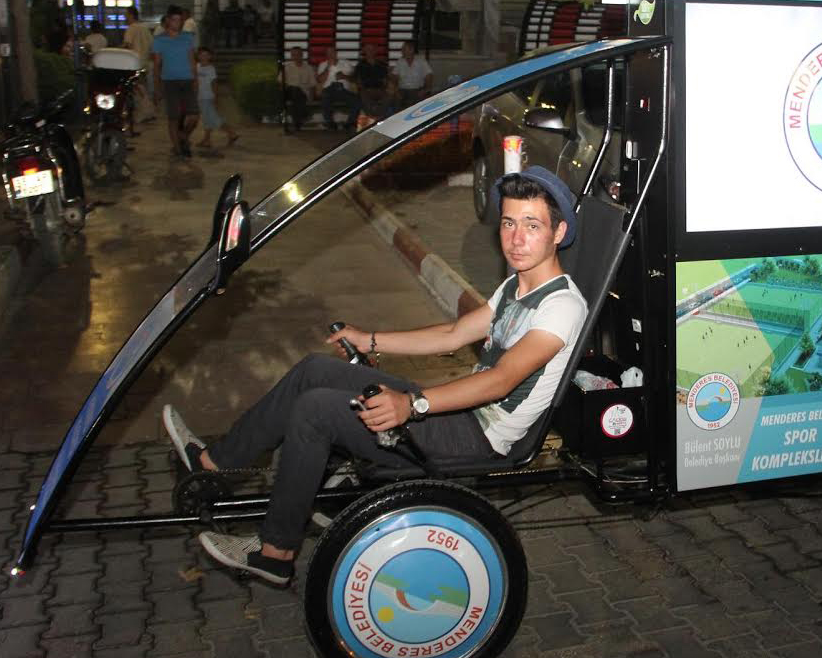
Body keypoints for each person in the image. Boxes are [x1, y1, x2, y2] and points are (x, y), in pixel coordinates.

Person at [166, 166, 587, 586]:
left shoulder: (562, 307)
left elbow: (501, 381)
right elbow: (453, 334)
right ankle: (213, 465)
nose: (516, 238)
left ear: (559, 231)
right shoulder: (516, 287)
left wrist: (413, 405)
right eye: (509, 223)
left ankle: (275, 553)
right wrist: (368, 340)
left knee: (315, 411)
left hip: (480, 437)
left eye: (532, 225)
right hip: (458, 415)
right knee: (314, 370)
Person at [152, 6, 199, 157]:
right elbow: (157, 65)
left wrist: (195, 79)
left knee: (194, 116)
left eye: (180, 20)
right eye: (174, 20)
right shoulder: (159, 40)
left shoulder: (188, 37)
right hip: (169, 81)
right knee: (174, 117)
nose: (177, 23)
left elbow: (192, 60)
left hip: (187, 80)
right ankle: (178, 148)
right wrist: (157, 88)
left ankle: (183, 136)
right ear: (168, 20)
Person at [195, 47, 238, 148]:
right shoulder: (196, 66)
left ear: (210, 57)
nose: (204, 57)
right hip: (200, 96)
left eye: (206, 55)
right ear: (198, 56)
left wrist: (215, 97)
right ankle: (207, 140)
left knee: (214, 118)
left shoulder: (211, 69)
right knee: (207, 119)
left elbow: (214, 84)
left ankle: (232, 133)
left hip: (208, 97)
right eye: (202, 55)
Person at [122, 6, 156, 122]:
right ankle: (149, 111)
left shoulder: (131, 29)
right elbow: (152, 46)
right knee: (143, 88)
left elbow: (127, 45)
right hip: (145, 63)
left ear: (131, 15)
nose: (125, 17)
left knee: (137, 90)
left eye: (126, 15)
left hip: (133, 64)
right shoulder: (145, 28)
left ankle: (145, 112)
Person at [317, 46, 360, 131]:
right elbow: (319, 80)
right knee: (325, 97)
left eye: (332, 52)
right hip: (329, 89)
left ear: (336, 53)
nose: (330, 55)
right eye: (328, 53)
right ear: (326, 55)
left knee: (357, 101)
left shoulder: (345, 63)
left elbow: (353, 79)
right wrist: (327, 68)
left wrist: (344, 76)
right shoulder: (323, 64)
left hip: (343, 90)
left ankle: (350, 123)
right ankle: (330, 123)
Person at [279, 46, 315, 132]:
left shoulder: (308, 68)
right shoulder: (287, 67)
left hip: (303, 93)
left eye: (298, 54)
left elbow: (312, 84)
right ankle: (301, 119)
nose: (295, 57)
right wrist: (282, 93)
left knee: (297, 94)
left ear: (302, 55)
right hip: (289, 91)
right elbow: (280, 82)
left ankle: (298, 121)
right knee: (294, 90)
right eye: (293, 55)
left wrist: (311, 97)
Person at [390, 40, 433, 109]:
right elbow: (394, 77)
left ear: (411, 50)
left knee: (416, 105)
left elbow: (429, 75)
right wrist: (396, 90)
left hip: (417, 89)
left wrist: (426, 89)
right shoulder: (400, 61)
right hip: (402, 89)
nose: (402, 51)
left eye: (404, 49)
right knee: (397, 102)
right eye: (402, 49)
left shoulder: (421, 60)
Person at [354, 43, 391, 118]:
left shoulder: (381, 64)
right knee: (363, 97)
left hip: (380, 89)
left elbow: (386, 79)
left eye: (372, 50)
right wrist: (363, 89)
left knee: (388, 96)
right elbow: (357, 80)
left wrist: (385, 88)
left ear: (375, 51)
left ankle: (379, 116)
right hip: (366, 89)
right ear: (365, 51)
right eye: (368, 50)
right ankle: (371, 117)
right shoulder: (360, 65)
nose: (370, 52)